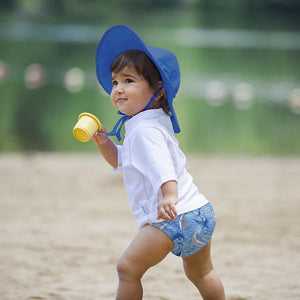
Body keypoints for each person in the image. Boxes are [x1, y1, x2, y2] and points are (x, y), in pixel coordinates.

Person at [92, 25, 225, 300]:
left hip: (172, 217)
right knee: (202, 274)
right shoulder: (150, 122)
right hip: (198, 212)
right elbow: (122, 162)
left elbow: (162, 165)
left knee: (127, 269)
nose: (118, 89)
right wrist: (105, 144)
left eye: (129, 81)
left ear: (158, 91)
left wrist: (169, 195)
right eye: (115, 82)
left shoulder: (143, 130)